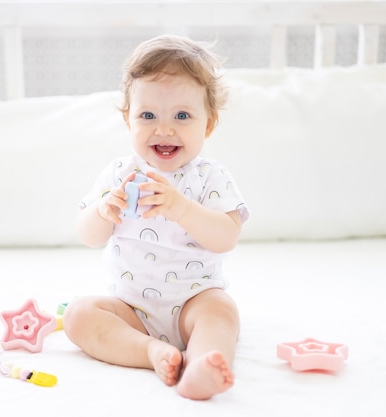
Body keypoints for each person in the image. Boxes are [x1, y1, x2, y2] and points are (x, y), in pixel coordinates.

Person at [63, 34, 249, 401]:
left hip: (194, 301)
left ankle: (201, 364)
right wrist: (103, 212)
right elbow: (88, 234)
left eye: (182, 116)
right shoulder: (119, 174)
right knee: (79, 314)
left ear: (207, 125)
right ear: (128, 121)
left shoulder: (210, 176)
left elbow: (227, 236)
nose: (164, 129)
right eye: (148, 115)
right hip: (131, 308)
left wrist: (182, 208)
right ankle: (151, 352)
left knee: (222, 311)